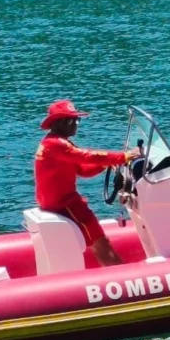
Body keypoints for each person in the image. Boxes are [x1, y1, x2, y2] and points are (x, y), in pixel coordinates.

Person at [34, 100, 140, 266]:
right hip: (65, 203)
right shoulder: (57, 145)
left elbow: (83, 170)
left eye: (77, 120)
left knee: (97, 238)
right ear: (62, 122)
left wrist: (106, 165)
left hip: (55, 201)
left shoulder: (54, 142)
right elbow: (87, 156)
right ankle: (118, 273)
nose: (76, 124)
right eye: (73, 120)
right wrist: (123, 156)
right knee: (101, 242)